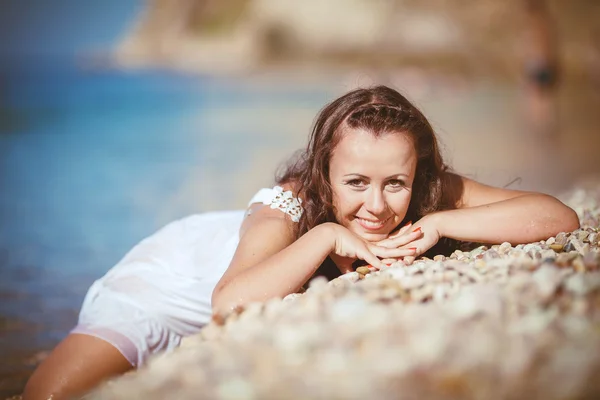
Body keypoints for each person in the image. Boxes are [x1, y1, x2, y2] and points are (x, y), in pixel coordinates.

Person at [23, 85, 579, 399]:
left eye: (397, 183)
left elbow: (557, 218)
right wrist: (326, 234)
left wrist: (441, 223)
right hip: (172, 284)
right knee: (49, 394)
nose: (378, 206)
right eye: (356, 183)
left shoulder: (431, 191)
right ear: (324, 176)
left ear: (419, 173)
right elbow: (227, 303)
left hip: (234, 286)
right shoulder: (285, 203)